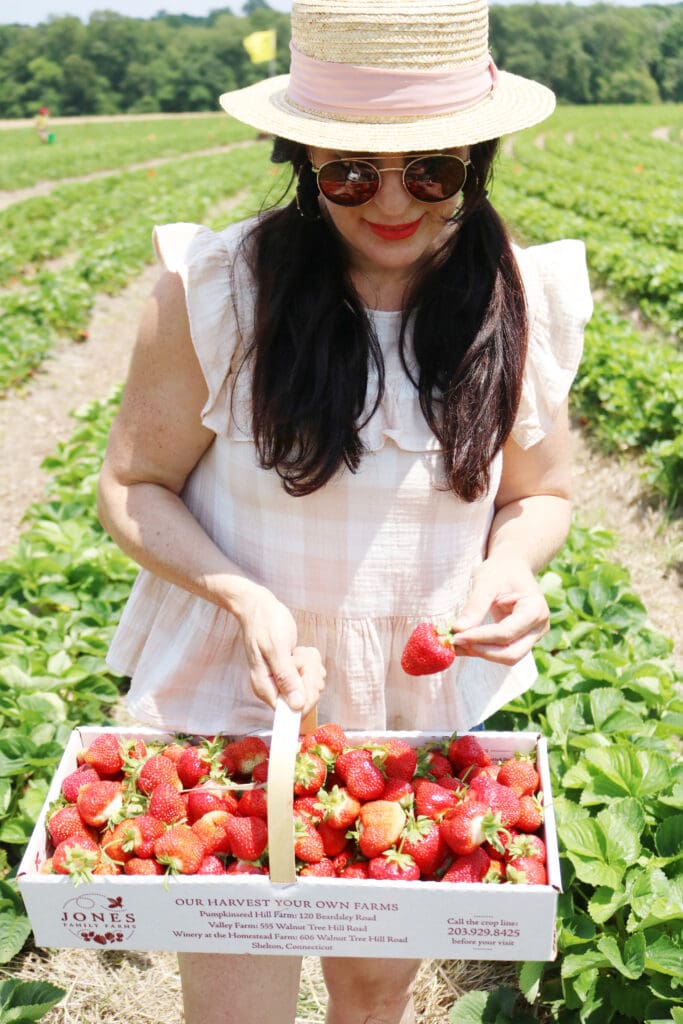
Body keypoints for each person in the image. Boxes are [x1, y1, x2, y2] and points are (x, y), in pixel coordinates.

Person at [97, 0, 592, 1021]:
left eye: (433, 171)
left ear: (476, 157)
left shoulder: (515, 299)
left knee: (370, 1000)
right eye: (350, 174)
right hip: (237, 694)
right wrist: (241, 595)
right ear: (301, 157)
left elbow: (541, 493)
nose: (393, 202)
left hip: (413, 707)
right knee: (238, 1007)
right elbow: (131, 483)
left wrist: (508, 567)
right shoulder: (213, 293)